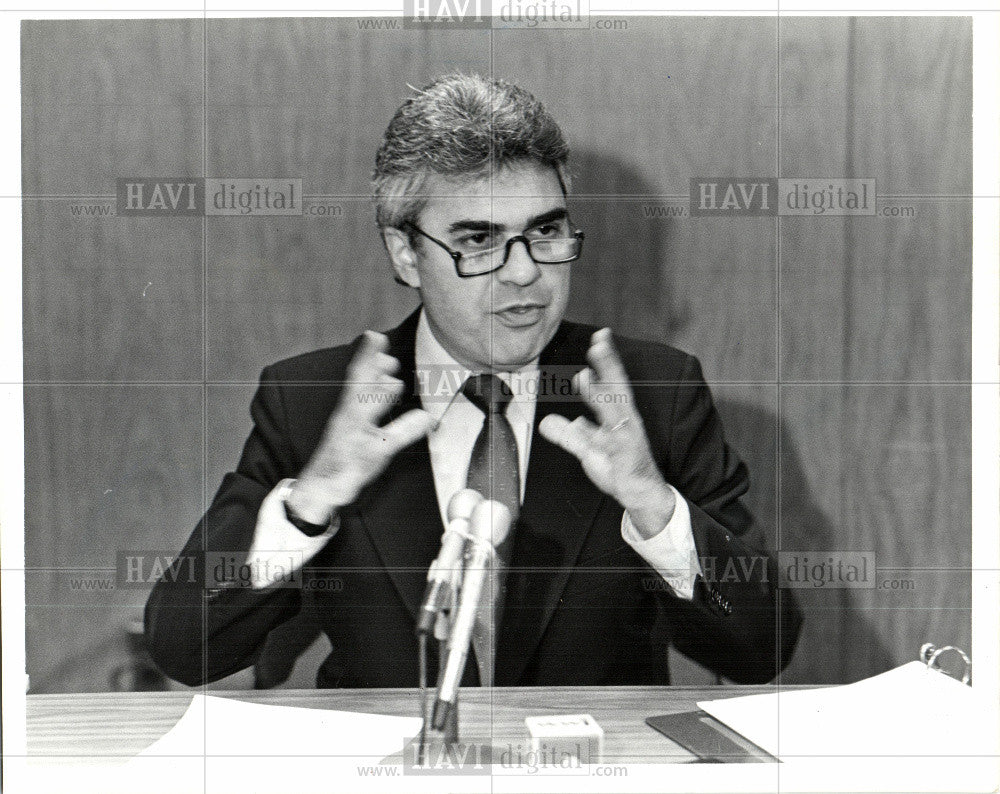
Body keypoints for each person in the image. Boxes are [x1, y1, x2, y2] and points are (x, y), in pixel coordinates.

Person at [145, 74, 801, 689]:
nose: (524, 273)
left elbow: (763, 648)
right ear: (406, 255)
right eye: (480, 241)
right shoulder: (316, 402)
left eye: (545, 233)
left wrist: (655, 508)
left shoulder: (652, 394)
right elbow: (185, 647)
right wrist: (308, 501)